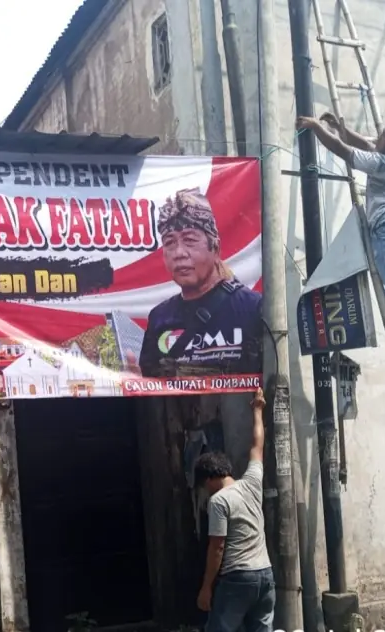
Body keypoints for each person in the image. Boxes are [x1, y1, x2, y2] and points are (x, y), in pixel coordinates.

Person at [295, 114, 385, 362]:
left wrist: (316, 128)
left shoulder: (381, 164)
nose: (380, 136)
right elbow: (366, 142)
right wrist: (340, 127)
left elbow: (342, 149)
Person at [139, 187, 262, 377]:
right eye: (170, 243)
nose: (179, 253)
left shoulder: (253, 308)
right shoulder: (159, 318)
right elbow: (151, 389)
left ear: (215, 248)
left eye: (189, 240)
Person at [194, 388, 273, 632]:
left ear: (208, 480)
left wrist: (206, 587)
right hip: (265, 574)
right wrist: (258, 409)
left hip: (238, 577)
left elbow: (217, 547)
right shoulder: (251, 483)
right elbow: (257, 446)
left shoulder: (218, 501)